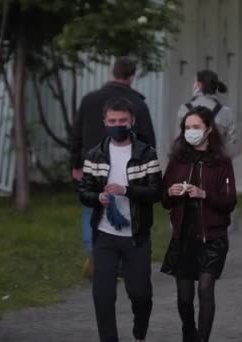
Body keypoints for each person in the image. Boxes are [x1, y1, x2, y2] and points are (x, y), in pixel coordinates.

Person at [78, 97, 162, 342]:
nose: (118, 125)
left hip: (136, 236)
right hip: (105, 234)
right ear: (104, 122)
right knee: (102, 295)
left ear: (132, 121)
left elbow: (157, 192)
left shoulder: (146, 154)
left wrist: (127, 190)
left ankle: (140, 328)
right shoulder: (95, 156)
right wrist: (98, 197)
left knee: (140, 294)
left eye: (123, 120)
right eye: (112, 121)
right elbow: (84, 192)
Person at [71, 57, 157, 274]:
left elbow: (77, 134)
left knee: (91, 211)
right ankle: (123, 258)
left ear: (112, 73)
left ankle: (96, 257)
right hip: (129, 168)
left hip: (93, 167)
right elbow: (148, 139)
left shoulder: (90, 99)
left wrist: (75, 164)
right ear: (132, 76)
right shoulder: (137, 105)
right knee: (129, 208)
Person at [160, 106, 237, 342]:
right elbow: (164, 200)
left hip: (212, 236)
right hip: (184, 236)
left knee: (205, 289)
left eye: (196, 127)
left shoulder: (221, 163)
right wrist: (171, 192)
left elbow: (229, 201)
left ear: (209, 129)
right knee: (184, 299)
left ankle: (202, 339)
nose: (191, 132)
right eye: (187, 128)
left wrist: (204, 194)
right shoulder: (177, 161)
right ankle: (188, 332)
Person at [177, 70, 237, 157]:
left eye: (194, 82)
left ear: (199, 86)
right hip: (216, 164)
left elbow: (178, 142)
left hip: (189, 164)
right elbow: (231, 144)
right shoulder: (225, 112)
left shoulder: (184, 109)